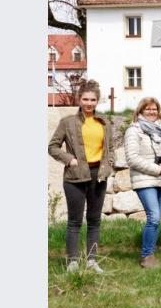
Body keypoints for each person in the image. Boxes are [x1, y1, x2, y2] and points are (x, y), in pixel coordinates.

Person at [48, 80, 114, 274]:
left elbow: (109, 149)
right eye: (85, 99)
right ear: (79, 99)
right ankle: (73, 262)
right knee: (74, 221)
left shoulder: (104, 122)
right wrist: (69, 159)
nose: (89, 103)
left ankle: (91, 261)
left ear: (97, 101)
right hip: (75, 176)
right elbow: (52, 146)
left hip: (98, 175)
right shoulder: (67, 122)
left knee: (94, 220)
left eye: (92, 100)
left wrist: (108, 165)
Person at [124, 97, 161, 268]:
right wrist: (157, 169)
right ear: (140, 111)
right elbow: (132, 158)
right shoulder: (134, 130)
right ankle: (147, 256)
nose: (152, 112)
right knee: (153, 217)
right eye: (148, 109)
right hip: (145, 179)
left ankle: (150, 253)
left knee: (157, 219)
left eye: (154, 109)